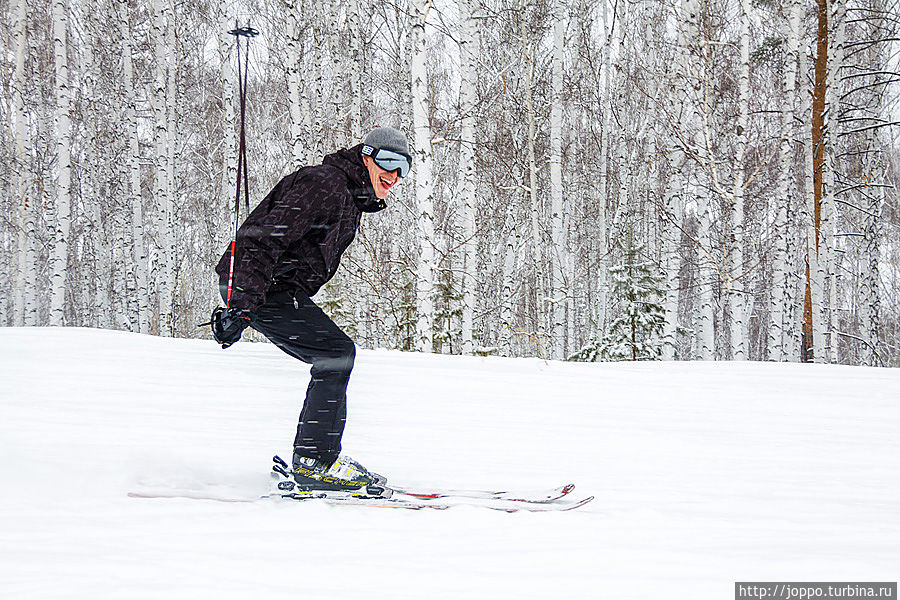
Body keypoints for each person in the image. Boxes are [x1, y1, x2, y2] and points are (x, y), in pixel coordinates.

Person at [209, 126, 411, 495]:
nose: (394, 176)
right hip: (259, 285)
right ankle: (315, 460)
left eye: (404, 169)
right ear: (365, 157)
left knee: (333, 355)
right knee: (335, 354)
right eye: (389, 162)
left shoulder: (345, 194)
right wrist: (242, 304)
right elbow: (259, 240)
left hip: (271, 288)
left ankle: (314, 457)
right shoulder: (324, 185)